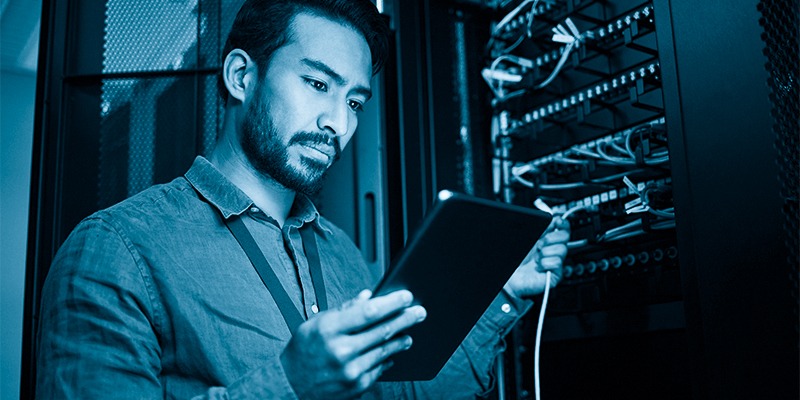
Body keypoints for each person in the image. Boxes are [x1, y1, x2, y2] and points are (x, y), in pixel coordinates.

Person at [35, 0, 571, 398]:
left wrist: (503, 294)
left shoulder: (340, 251)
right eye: (318, 85)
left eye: (355, 101)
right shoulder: (117, 250)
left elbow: (402, 394)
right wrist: (290, 385)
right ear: (242, 76)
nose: (338, 123)